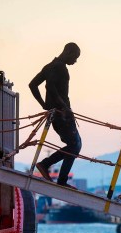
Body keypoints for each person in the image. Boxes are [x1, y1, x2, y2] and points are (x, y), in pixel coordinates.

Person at [29, 42, 82, 188]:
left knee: (73, 145)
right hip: (61, 114)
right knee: (75, 145)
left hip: (57, 113)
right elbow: (50, 87)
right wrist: (65, 108)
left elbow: (32, 85)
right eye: (75, 57)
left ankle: (49, 168)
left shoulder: (49, 66)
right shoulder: (59, 67)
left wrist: (44, 104)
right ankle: (53, 172)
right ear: (68, 52)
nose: (75, 61)